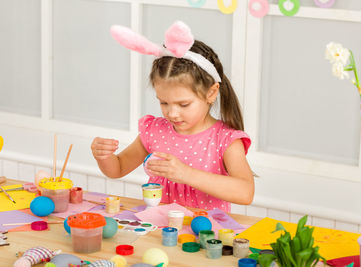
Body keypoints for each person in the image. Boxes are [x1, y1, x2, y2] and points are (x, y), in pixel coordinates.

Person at [91, 21, 254, 212]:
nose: (172, 113)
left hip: (205, 236)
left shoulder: (225, 140)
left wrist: (186, 174)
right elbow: (117, 168)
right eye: (164, 102)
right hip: (159, 234)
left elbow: (246, 193)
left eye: (183, 104)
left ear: (211, 93)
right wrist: (103, 156)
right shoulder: (155, 131)